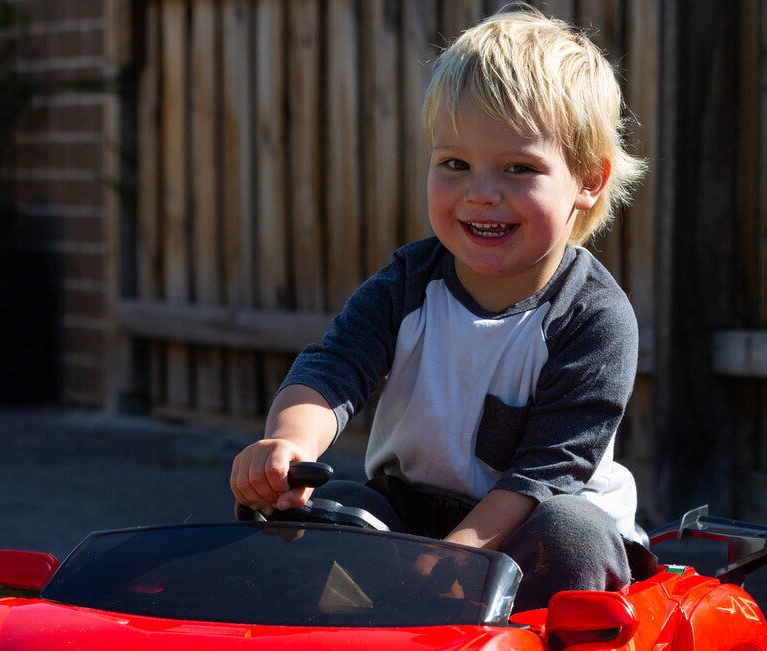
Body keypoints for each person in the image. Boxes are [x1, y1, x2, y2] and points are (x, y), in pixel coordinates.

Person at [229, 5, 647, 611]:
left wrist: (454, 559)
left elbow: (543, 475)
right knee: (324, 511)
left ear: (588, 180)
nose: (481, 191)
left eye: (518, 168)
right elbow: (334, 368)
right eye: (456, 164)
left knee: (571, 536)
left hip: (530, 522)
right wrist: (288, 444)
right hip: (413, 512)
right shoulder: (408, 283)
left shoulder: (594, 319)